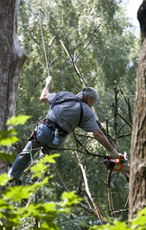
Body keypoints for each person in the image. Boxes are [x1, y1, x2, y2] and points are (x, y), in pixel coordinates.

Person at [8, 76, 125, 180]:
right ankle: (34, 180)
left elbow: (43, 97)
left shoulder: (65, 95)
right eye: (93, 101)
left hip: (44, 130)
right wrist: (112, 152)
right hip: (57, 140)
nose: (93, 104)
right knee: (44, 158)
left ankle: (10, 178)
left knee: (26, 153)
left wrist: (48, 84)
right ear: (89, 98)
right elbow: (98, 133)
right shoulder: (87, 112)